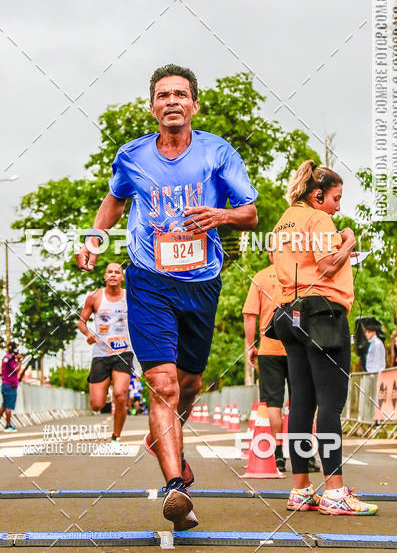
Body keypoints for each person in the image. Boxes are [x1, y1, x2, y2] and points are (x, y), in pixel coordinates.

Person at [76, 64, 258, 531]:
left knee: (190, 383)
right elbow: (115, 200)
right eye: (163, 95)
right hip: (149, 277)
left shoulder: (218, 152)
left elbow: (251, 214)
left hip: (201, 279)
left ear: (194, 104)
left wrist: (219, 215)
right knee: (164, 383)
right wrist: (95, 238)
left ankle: (164, 439)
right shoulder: (132, 155)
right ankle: (176, 487)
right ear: (152, 106)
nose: (172, 101)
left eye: (181, 94)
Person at [270, 160, 378, 516]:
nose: (337, 205)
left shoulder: (283, 220)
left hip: (288, 310)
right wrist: (348, 240)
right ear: (317, 195)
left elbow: (279, 262)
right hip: (322, 312)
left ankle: (300, 488)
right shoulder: (319, 219)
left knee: (301, 403)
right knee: (330, 404)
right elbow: (329, 263)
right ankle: (334, 490)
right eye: (335, 197)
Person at [242, 249, 320, 477]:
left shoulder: (260, 277)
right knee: (302, 402)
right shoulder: (299, 275)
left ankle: (277, 455)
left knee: (272, 404)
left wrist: (251, 345)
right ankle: (307, 455)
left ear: (269, 254)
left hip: (269, 347)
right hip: (298, 347)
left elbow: (249, 314)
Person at [78, 262, 133, 441]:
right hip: (101, 353)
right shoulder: (94, 297)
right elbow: (81, 321)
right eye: (110, 272)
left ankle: (116, 436)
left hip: (123, 352)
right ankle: (106, 388)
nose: (113, 275)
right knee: (96, 405)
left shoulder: (130, 297)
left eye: (117, 272)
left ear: (122, 278)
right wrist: (88, 333)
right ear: (105, 276)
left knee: (120, 395)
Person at [0, 341, 22, 431]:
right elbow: (16, 370)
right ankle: (8, 425)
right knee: (8, 406)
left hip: (4, 384)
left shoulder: (5, 358)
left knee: (4, 405)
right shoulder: (11, 360)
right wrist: (19, 361)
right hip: (11, 385)